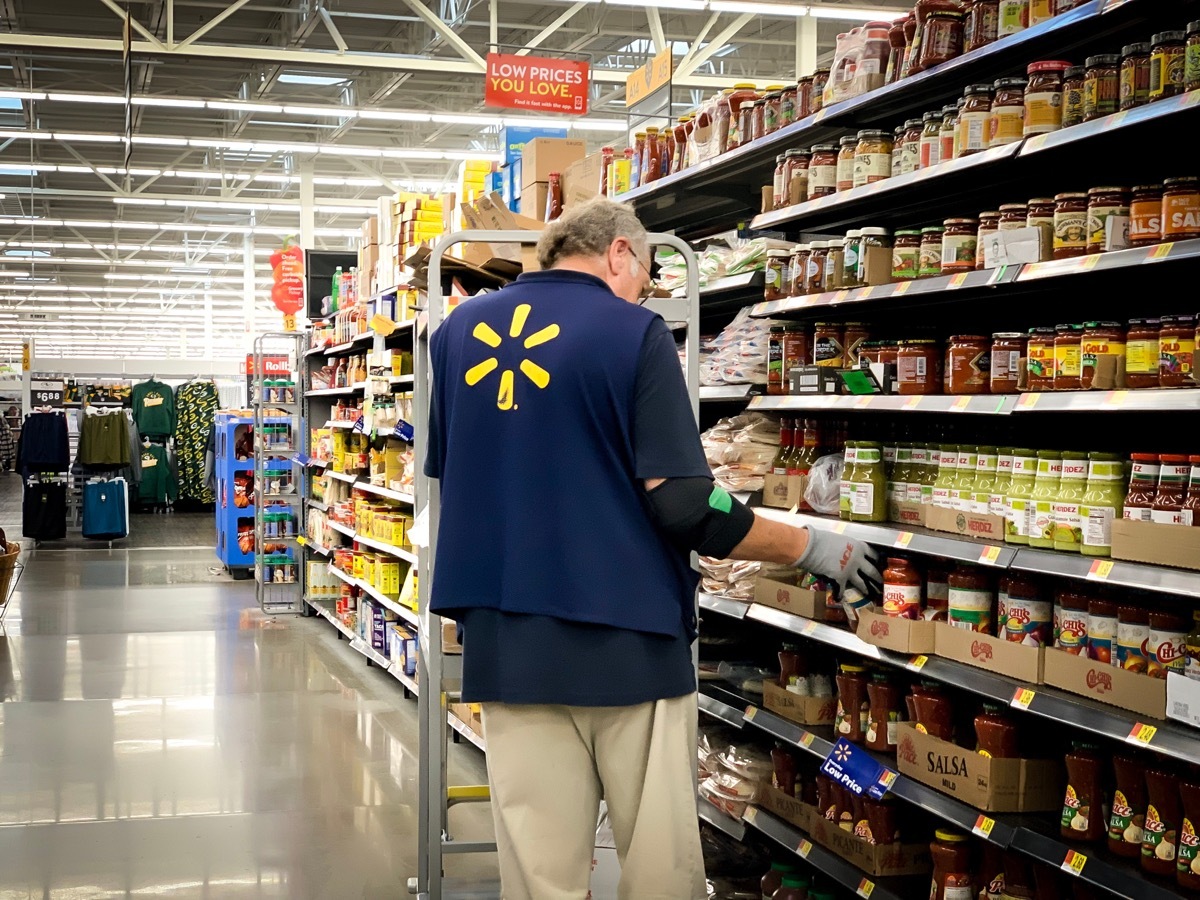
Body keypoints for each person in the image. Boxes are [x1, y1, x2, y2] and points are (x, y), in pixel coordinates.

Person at [424, 197, 880, 899]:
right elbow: (688, 504)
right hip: (627, 648)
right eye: (648, 273)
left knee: (539, 876)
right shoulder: (633, 334)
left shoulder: (457, 336)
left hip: (507, 649)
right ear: (619, 254)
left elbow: (461, 475)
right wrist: (815, 548)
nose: (646, 290)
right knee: (657, 871)